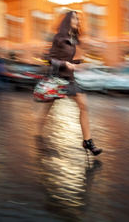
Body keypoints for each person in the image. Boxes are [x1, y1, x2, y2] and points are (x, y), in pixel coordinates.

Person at [39, 10, 102, 156]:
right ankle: (38, 135)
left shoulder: (74, 39)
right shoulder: (59, 37)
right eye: (74, 18)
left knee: (83, 106)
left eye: (78, 18)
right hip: (57, 79)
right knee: (47, 110)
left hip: (69, 79)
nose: (77, 21)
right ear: (68, 20)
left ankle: (88, 141)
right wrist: (65, 64)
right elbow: (49, 59)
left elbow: (72, 59)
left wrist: (79, 62)